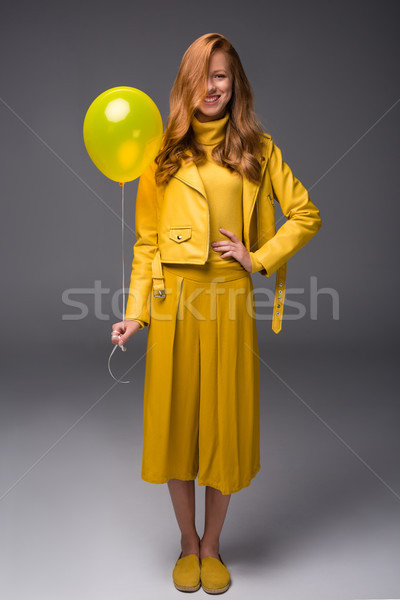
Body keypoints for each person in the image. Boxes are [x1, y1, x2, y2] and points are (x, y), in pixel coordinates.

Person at [111, 33, 321, 594]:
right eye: (203, 75)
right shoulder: (161, 156)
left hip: (228, 301)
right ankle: (186, 543)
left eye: (222, 75)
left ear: (236, 84)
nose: (212, 86)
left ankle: (213, 547)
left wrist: (258, 256)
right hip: (173, 303)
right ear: (187, 82)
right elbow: (147, 243)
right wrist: (135, 313)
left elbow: (304, 214)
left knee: (223, 427)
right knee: (178, 425)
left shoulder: (258, 148)